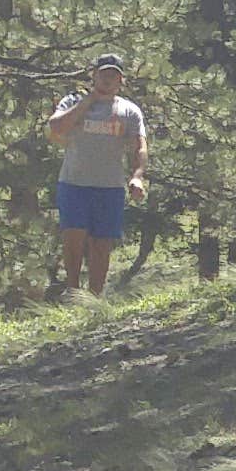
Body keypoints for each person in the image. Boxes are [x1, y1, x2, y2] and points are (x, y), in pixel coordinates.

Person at [44, 54, 149, 297]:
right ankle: (73, 291)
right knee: (73, 237)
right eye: (104, 74)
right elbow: (56, 127)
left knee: (102, 243)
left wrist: (137, 176)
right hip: (73, 182)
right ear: (94, 75)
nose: (108, 79)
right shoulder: (73, 100)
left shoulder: (129, 110)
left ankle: (94, 298)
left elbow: (139, 146)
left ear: (121, 80)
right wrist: (88, 102)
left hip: (109, 186)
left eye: (114, 75)